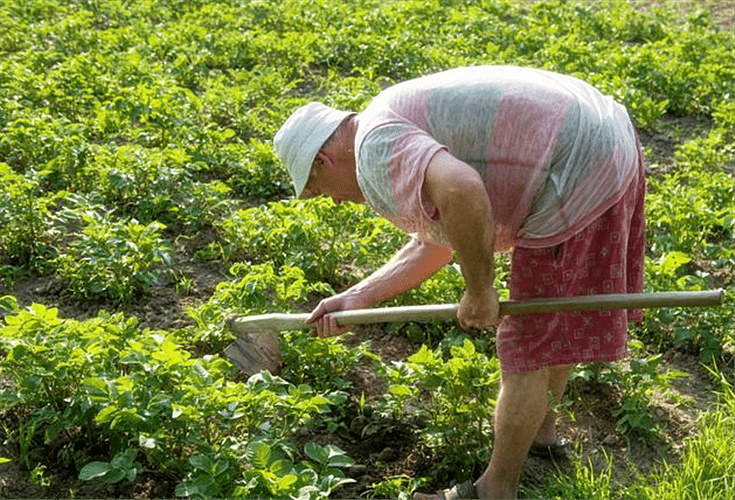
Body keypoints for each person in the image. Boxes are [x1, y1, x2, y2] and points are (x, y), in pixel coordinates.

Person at [273, 65, 646, 500]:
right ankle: (542, 434)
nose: (335, 200)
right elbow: (442, 236)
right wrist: (359, 296)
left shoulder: (373, 147)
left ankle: (494, 491)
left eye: (320, 190)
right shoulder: (382, 120)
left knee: (528, 345)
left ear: (323, 160)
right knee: (553, 315)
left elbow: (462, 191)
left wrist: (480, 290)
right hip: (605, 137)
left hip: (575, 163)